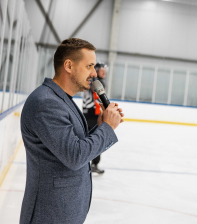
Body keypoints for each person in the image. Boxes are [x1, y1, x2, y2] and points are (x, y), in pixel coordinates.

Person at [20, 38, 124, 224]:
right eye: (89, 66)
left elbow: (75, 144)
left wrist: (100, 126)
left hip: (64, 212)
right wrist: (107, 128)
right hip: (50, 214)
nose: (94, 73)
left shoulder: (61, 100)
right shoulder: (46, 103)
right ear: (68, 65)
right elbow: (75, 156)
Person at [83, 62, 108, 174]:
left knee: (86, 139)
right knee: (97, 140)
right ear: (97, 70)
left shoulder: (89, 79)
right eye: (102, 70)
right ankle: (94, 164)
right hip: (93, 115)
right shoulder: (97, 82)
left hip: (86, 114)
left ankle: (85, 164)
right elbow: (100, 99)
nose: (104, 72)